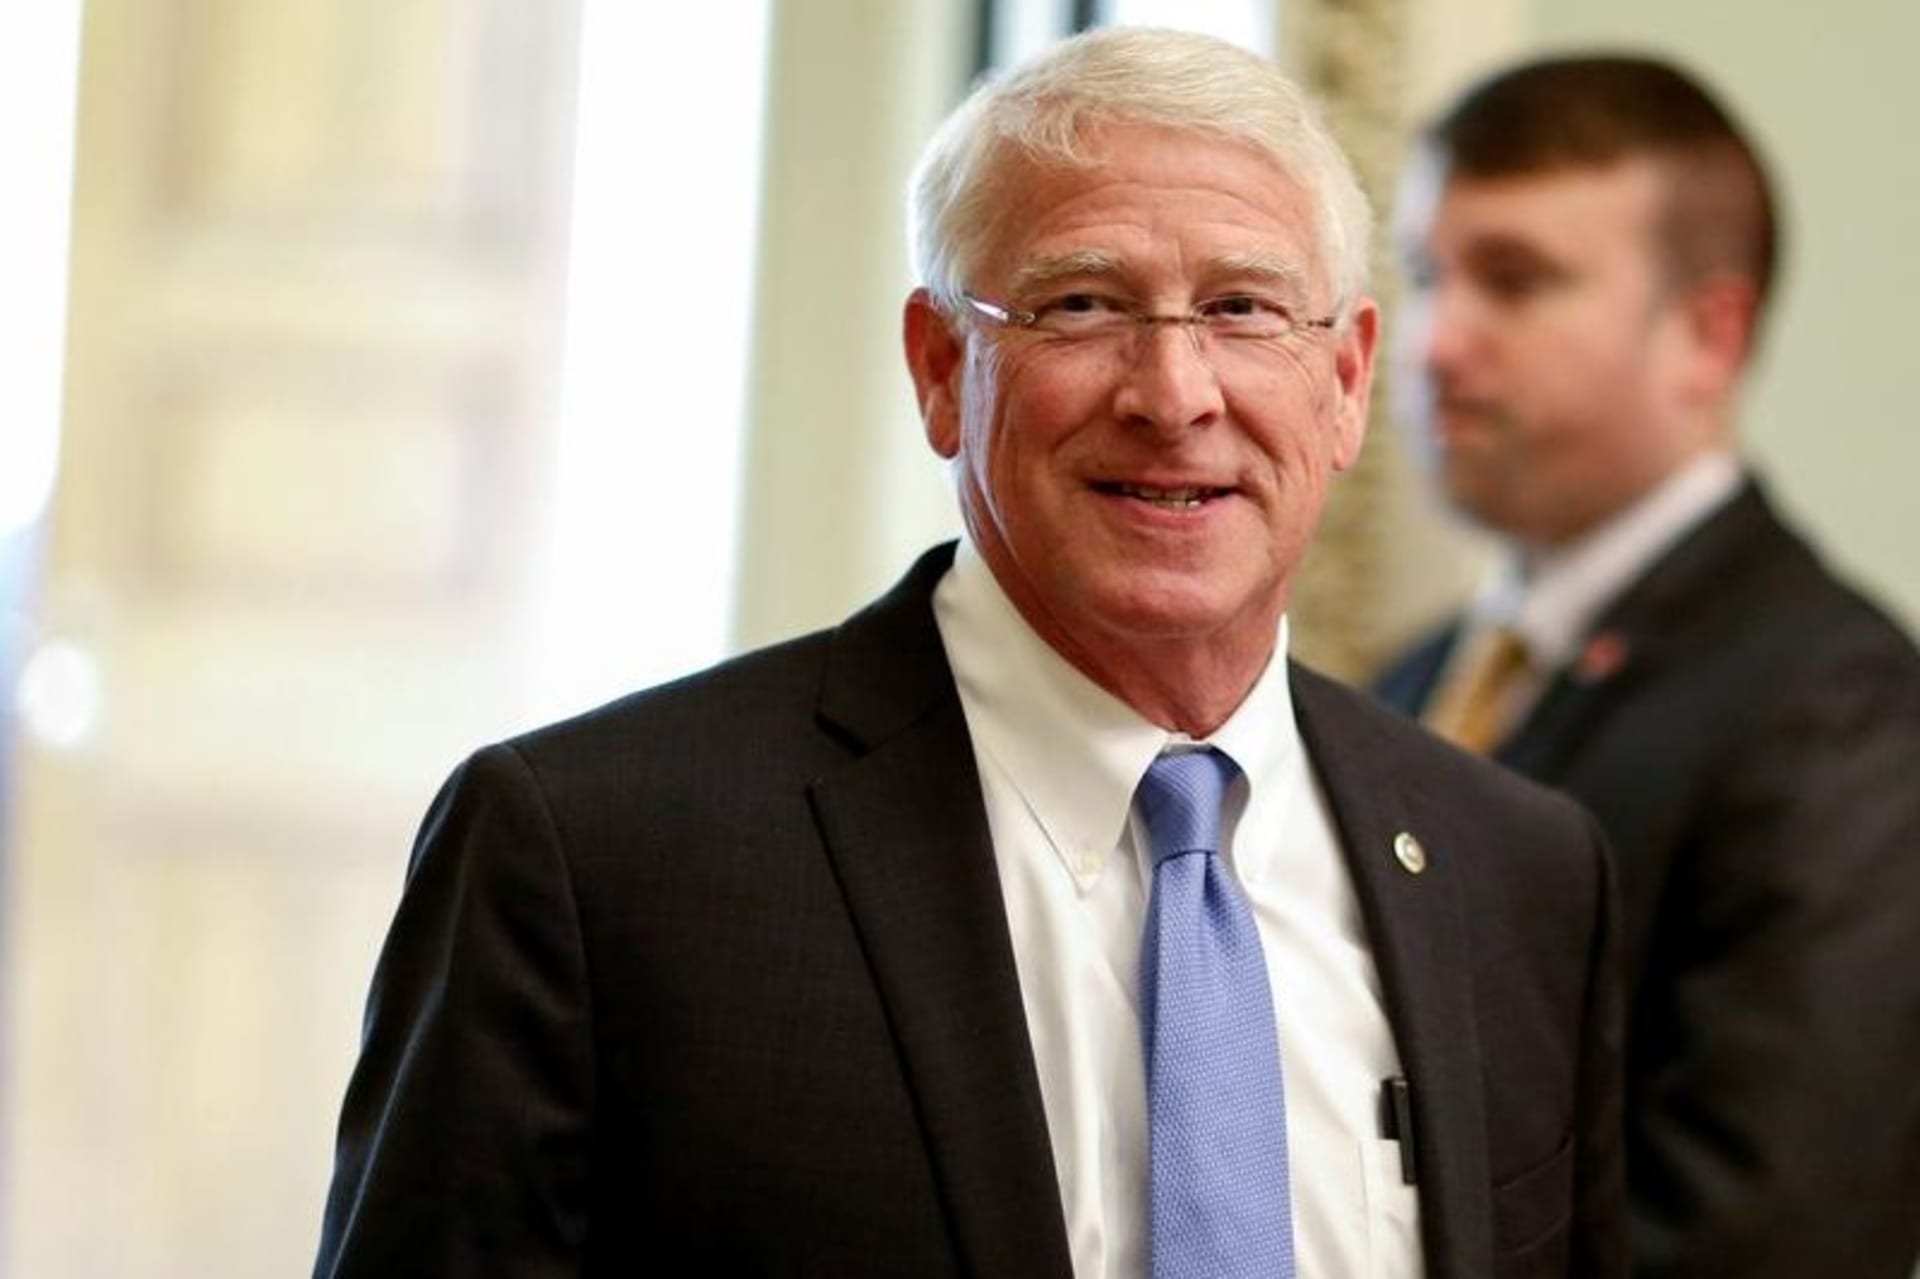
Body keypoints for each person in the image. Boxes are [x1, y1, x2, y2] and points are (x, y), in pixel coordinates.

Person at [315, 28, 1624, 1278]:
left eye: (1240, 307)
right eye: (1082, 303)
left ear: (1345, 381)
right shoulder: (596, 859)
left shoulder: (1520, 875)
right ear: (941, 367)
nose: (1173, 395)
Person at [1377, 53, 1920, 1279]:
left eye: (1514, 281)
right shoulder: (1405, 685)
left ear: (1706, 336)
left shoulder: (1838, 708)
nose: (1434, 344)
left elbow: (1777, 1231)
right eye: (1424, 275)